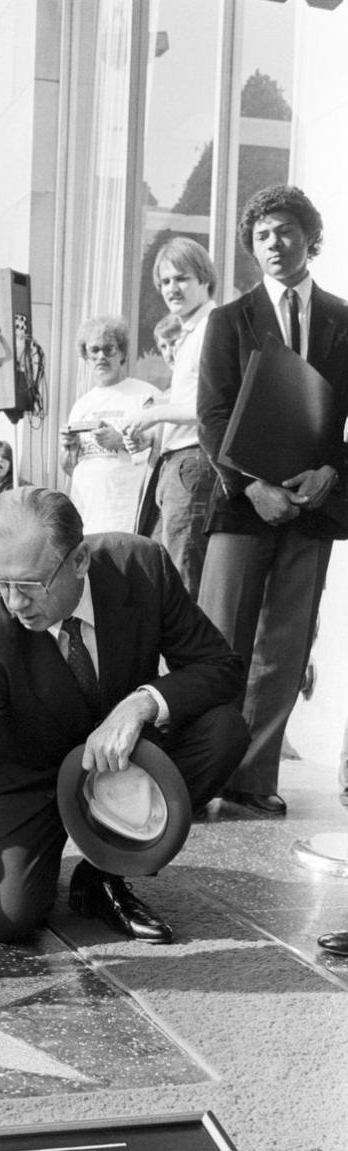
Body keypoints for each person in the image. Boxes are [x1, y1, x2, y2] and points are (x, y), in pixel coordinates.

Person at [0, 486, 248, 1021]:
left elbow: (221, 668)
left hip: (119, 760)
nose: (13, 602)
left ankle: (104, 870)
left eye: (28, 584)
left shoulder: (140, 566)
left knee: (224, 730)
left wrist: (141, 704)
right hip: (27, 774)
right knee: (9, 918)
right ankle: (47, 850)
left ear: (78, 560)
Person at [197, 184, 348, 816]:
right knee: (217, 638)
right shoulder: (229, 320)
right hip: (243, 505)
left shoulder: (344, 319)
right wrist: (252, 488)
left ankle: (253, 780)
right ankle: (198, 771)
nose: (274, 244)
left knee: (284, 645)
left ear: (309, 237)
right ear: (251, 247)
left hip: (314, 506)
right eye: (262, 235)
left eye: (285, 231)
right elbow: (212, 416)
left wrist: (330, 476)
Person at [127, 238, 219, 599]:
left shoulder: (213, 326)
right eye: (165, 282)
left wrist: (153, 413)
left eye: (181, 278)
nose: (171, 289)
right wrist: (150, 435)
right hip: (173, 466)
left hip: (193, 465)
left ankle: (191, 658)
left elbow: (213, 407)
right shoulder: (190, 334)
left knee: (183, 587)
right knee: (162, 581)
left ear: (204, 279)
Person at [59, 316, 162, 535]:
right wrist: (70, 450)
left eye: (109, 349)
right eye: (94, 350)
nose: (101, 357)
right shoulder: (81, 405)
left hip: (125, 517)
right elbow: (71, 468)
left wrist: (121, 441)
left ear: (122, 353)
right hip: (87, 516)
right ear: (85, 356)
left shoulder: (146, 395)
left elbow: (160, 450)